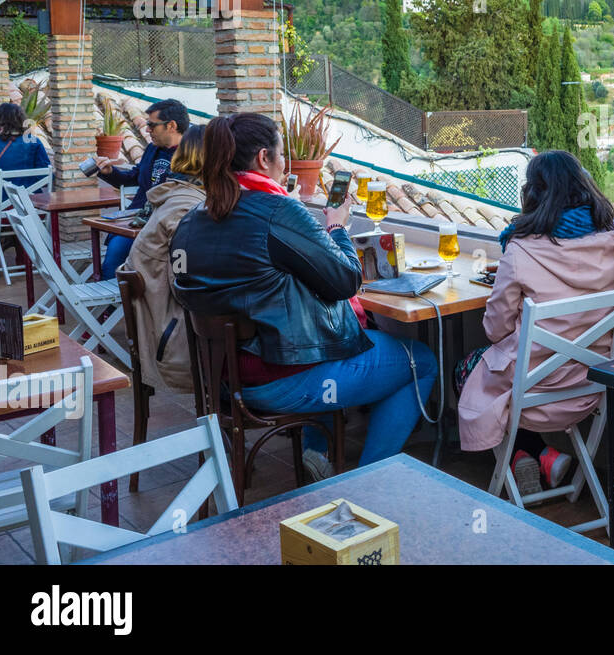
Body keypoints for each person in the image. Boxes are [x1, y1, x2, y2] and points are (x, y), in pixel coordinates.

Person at [170, 112, 437, 476]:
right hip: (279, 382)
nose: (285, 166)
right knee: (420, 360)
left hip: (222, 381)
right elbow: (345, 280)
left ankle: (318, 453)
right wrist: (338, 227)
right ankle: (371, 477)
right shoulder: (277, 211)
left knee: (321, 340)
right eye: (282, 156)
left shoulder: (193, 218)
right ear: (265, 158)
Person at [456, 150, 614, 495]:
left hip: (536, 393)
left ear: (533, 195)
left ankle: (531, 453)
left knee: (465, 368)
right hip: (594, 388)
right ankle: (544, 456)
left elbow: (495, 330)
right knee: (513, 371)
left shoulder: (520, 250)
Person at [117, 124, 206, 393]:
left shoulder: (176, 195)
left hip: (164, 324)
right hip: (178, 342)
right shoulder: (185, 209)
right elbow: (184, 276)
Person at [97, 98, 189, 278]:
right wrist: (109, 172)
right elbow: (134, 177)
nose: (147, 129)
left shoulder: (190, 154)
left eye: (152, 125)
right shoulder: (152, 149)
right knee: (114, 259)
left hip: (171, 227)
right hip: (139, 222)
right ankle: (114, 304)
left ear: (171, 125)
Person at [0, 102, 50, 273]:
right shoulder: (34, 143)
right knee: (21, 213)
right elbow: (46, 178)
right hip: (28, 210)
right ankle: (24, 259)